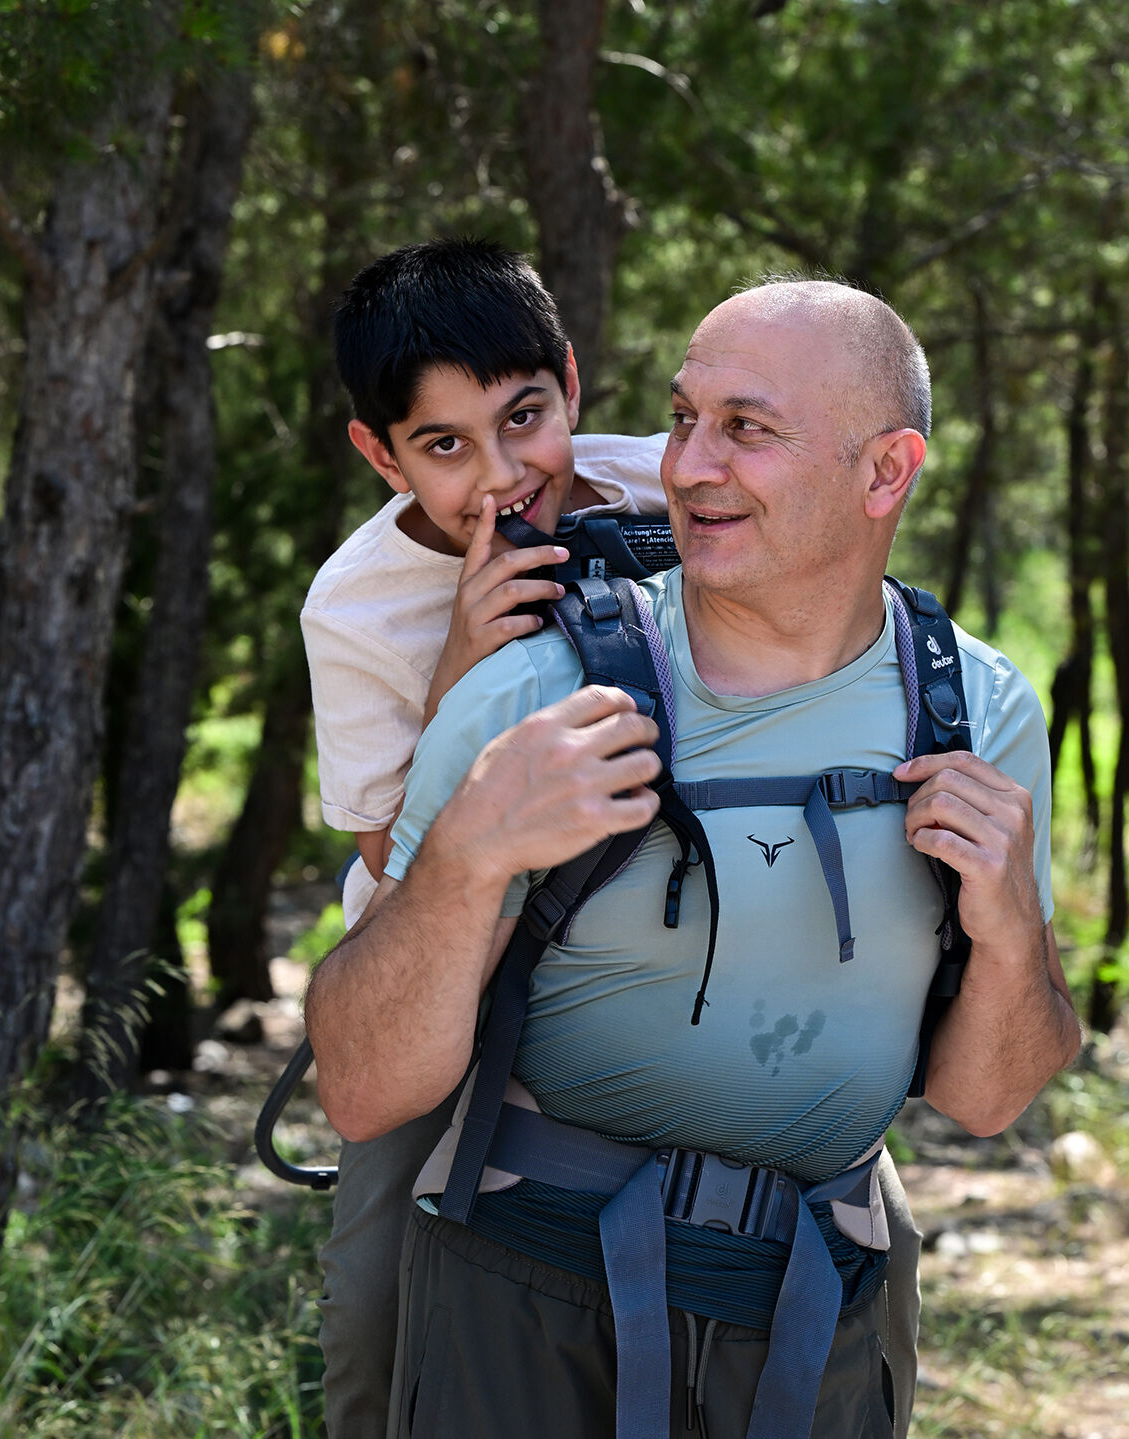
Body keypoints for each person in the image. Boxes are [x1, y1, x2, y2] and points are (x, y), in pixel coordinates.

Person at [306, 276, 1082, 1439]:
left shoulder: (974, 709)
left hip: (812, 1292)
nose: (686, 464)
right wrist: (467, 836)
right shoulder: (416, 637)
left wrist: (1012, 927)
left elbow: (986, 1098)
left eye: (743, 429)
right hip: (521, 1267)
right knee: (369, 1307)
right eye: (681, 420)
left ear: (886, 472)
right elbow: (363, 1068)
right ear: (384, 452)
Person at [302, 237, 672, 1436]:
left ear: (570, 379)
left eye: (527, 416)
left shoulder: (650, 487)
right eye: (444, 446)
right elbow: (381, 859)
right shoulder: (357, 606)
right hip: (441, 981)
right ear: (379, 453)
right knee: (376, 1315)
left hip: (634, 939)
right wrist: (463, 671)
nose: (503, 474)